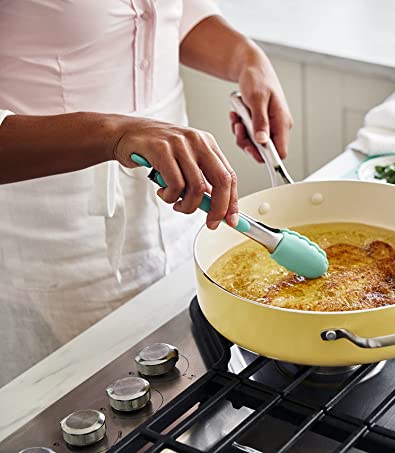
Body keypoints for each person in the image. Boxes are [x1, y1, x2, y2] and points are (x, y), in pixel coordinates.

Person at [0, 0, 293, 386]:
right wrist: (115, 133)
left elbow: (168, 14)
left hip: (179, 206)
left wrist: (246, 58)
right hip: (56, 240)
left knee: (188, 384)